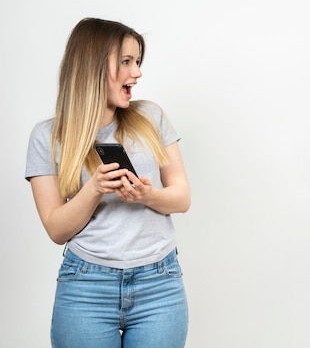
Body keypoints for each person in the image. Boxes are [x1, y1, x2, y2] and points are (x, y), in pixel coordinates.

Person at [25, 18, 191, 348]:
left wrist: (147, 195)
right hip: (86, 286)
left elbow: (182, 197)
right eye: (126, 62)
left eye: (138, 62)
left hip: (159, 284)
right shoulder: (47, 137)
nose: (138, 73)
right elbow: (57, 230)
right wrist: (95, 188)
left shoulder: (151, 118)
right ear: (93, 67)